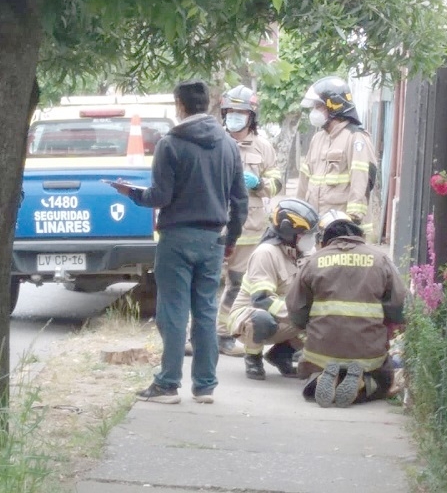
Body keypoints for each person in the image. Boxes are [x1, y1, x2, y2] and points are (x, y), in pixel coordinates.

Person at [109, 80, 248, 404]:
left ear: (179, 105)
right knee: (206, 310)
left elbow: (161, 196)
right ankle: (205, 386)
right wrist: (232, 238)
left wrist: (132, 193)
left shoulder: (170, 144)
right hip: (213, 238)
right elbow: (240, 200)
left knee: (173, 311)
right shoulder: (228, 145)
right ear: (207, 104)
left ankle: (168, 384)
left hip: (177, 238)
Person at [285, 210, 408, 408]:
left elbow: (295, 307)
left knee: (314, 366)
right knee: (384, 380)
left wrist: (306, 327)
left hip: (321, 350)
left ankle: (321, 377)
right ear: (359, 235)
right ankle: (363, 382)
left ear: (325, 239)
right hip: (367, 352)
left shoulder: (313, 261)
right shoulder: (379, 260)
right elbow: (399, 304)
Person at [216, 85, 282, 357]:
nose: (235, 117)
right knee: (204, 284)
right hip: (215, 225)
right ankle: (197, 337)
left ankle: (223, 335)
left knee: (237, 284)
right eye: (230, 112)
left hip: (249, 230)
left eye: (241, 112)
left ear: (251, 116)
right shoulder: (214, 141)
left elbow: (276, 183)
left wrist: (259, 183)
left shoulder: (264, 147)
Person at [227, 198, 318, 380]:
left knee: (320, 314)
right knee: (262, 319)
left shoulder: (305, 253)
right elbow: (262, 299)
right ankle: (253, 357)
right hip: (249, 316)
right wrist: (300, 313)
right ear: (288, 231)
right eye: (305, 234)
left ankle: (281, 355)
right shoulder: (266, 253)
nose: (310, 239)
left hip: (283, 314)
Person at [297, 76, 378, 240]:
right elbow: (304, 182)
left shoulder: (355, 138)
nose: (314, 111)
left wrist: (352, 222)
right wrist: (298, 213)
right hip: (318, 228)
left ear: (334, 105)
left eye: (318, 106)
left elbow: (361, 182)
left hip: (344, 231)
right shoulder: (317, 139)